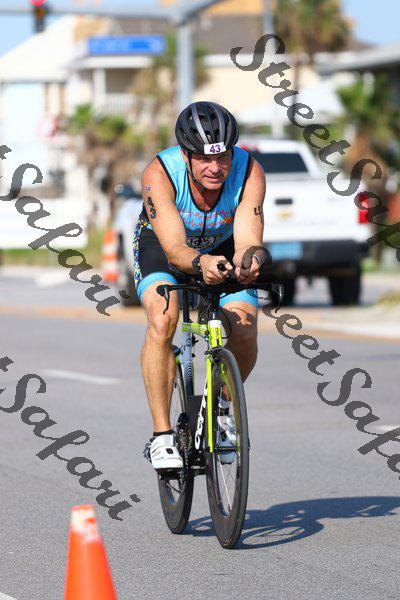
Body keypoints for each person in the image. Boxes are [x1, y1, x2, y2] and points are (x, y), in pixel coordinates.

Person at [133, 101, 266, 470]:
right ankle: (162, 436)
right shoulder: (159, 173)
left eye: (222, 157)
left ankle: (221, 409)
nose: (215, 168)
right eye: (205, 159)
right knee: (163, 319)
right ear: (186, 155)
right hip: (163, 247)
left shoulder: (250, 172)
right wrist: (200, 263)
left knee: (245, 329)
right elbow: (175, 249)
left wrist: (250, 260)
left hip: (222, 245)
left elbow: (248, 239)